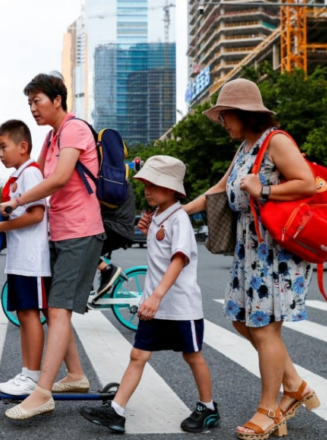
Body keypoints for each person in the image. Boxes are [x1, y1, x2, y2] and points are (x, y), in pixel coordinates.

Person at [176, 79, 318, 438]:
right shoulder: (245, 148)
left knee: (264, 329)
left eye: (225, 116)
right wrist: (177, 212)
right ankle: (295, 386)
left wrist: (264, 189)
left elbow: (307, 182)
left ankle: (269, 411)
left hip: (275, 253)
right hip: (250, 251)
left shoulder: (276, 141)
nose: (222, 123)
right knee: (243, 321)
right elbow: (219, 190)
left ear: (242, 113)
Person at [80, 156, 219, 434]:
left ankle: (208, 408)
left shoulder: (179, 218)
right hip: (155, 305)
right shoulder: (157, 216)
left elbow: (178, 260)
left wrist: (156, 296)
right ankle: (116, 411)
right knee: (138, 355)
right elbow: (160, 250)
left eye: (154, 185)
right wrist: (149, 231)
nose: (147, 190)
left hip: (180, 306)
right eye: (146, 184)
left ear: (172, 189)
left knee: (193, 356)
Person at [0, 73, 105, 420]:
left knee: (58, 309)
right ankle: (75, 375)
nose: (33, 108)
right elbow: (40, 173)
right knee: (52, 307)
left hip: (80, 230)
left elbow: (58, 179)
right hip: (58, 233)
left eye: (38, 100)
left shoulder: (74, 129)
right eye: (29, 102)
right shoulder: (52, 137)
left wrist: (17, 202)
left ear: (58, 100)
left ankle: (41, 392)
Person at [0, 120, 50, 395]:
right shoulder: (18, 177)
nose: (0, 153)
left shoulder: (30, 173)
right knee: (23, 314)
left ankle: (32, 377)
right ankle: (27, 373)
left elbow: (37, 215)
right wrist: (0, 215)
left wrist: (0, 227)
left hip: (32, 260)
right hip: (21, 258)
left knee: (30, 314)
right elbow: (21, 212)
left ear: (23, 147)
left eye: (4, 147)